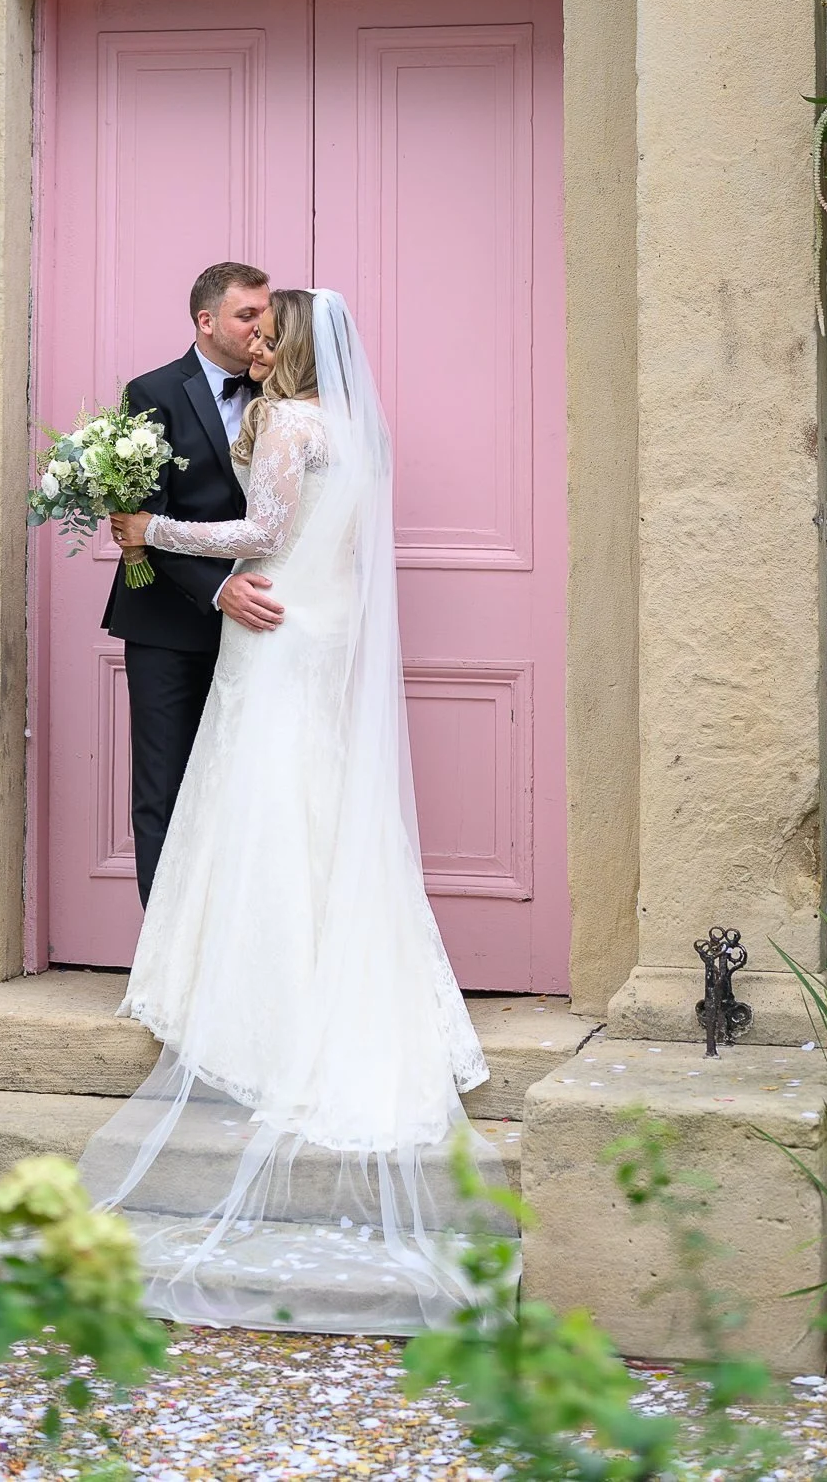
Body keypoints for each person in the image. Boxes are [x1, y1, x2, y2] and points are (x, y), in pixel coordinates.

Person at [83, 288, 503, 1336]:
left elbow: (263, 529)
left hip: (273, 625)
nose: (261, 345)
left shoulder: (289, 423)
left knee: (262, 799)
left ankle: (255, 997)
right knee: (310, 797)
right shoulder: (359, 430)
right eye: (251, 328)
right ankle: (317, 967)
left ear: (300, 344)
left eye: (274, 333)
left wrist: (146, 528)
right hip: (320, 622)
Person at [104, 261, 287, 905]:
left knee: (247, 787)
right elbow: (141, 517)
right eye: (246, 315)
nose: (261, 328)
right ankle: (163, 947)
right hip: (168, 624)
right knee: (164, 786)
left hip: (264, 626)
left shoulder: (285, 393)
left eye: (265, 314)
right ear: (206, 321)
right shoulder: (151, 392)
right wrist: (216, 589)